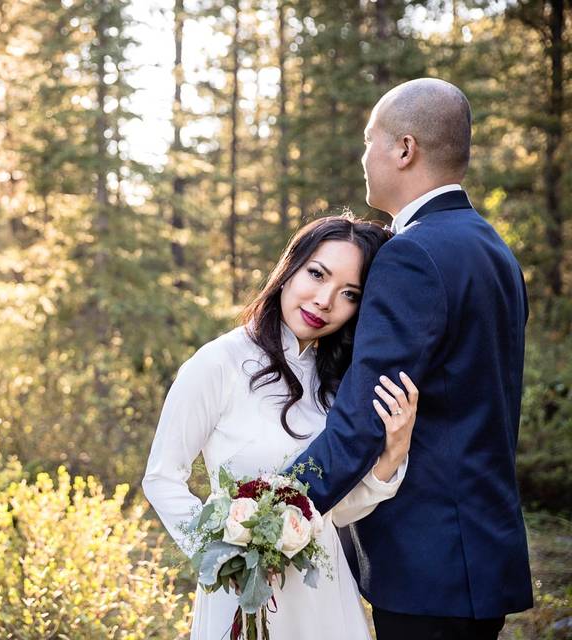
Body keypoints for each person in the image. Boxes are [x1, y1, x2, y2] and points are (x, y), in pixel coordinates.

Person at [288, 78, 533, 640]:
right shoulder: (496, 252)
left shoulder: (412, 255)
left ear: (404, 149)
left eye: (369, 140)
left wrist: (272, 506)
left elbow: (364, 415)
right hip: (480, 553)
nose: (363, 156)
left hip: (429, 563)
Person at [142, 214, 419, 640]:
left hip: (322, 594)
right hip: (241, 594)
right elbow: (162, 478)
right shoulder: (219, 362)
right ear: (289, 268)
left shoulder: (338, 383)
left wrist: (392, 455)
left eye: (349, 294)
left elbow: (336, 511)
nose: (325, 300)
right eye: (316, 274)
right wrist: (222, 554)